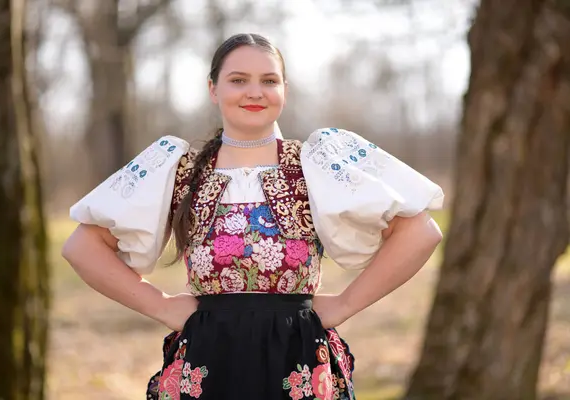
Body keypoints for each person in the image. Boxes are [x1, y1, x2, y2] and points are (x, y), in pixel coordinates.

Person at [62, 33, 444, 400]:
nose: (255, 92)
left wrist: (346, 303)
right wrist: (159, 304)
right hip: (209, 360)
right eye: (238, 80)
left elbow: (419, 231)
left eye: (269, 80)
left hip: (298, 363)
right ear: (213, 89)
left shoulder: (317, 166)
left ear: (284, 90)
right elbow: (83, 246)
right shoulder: (179, 172)